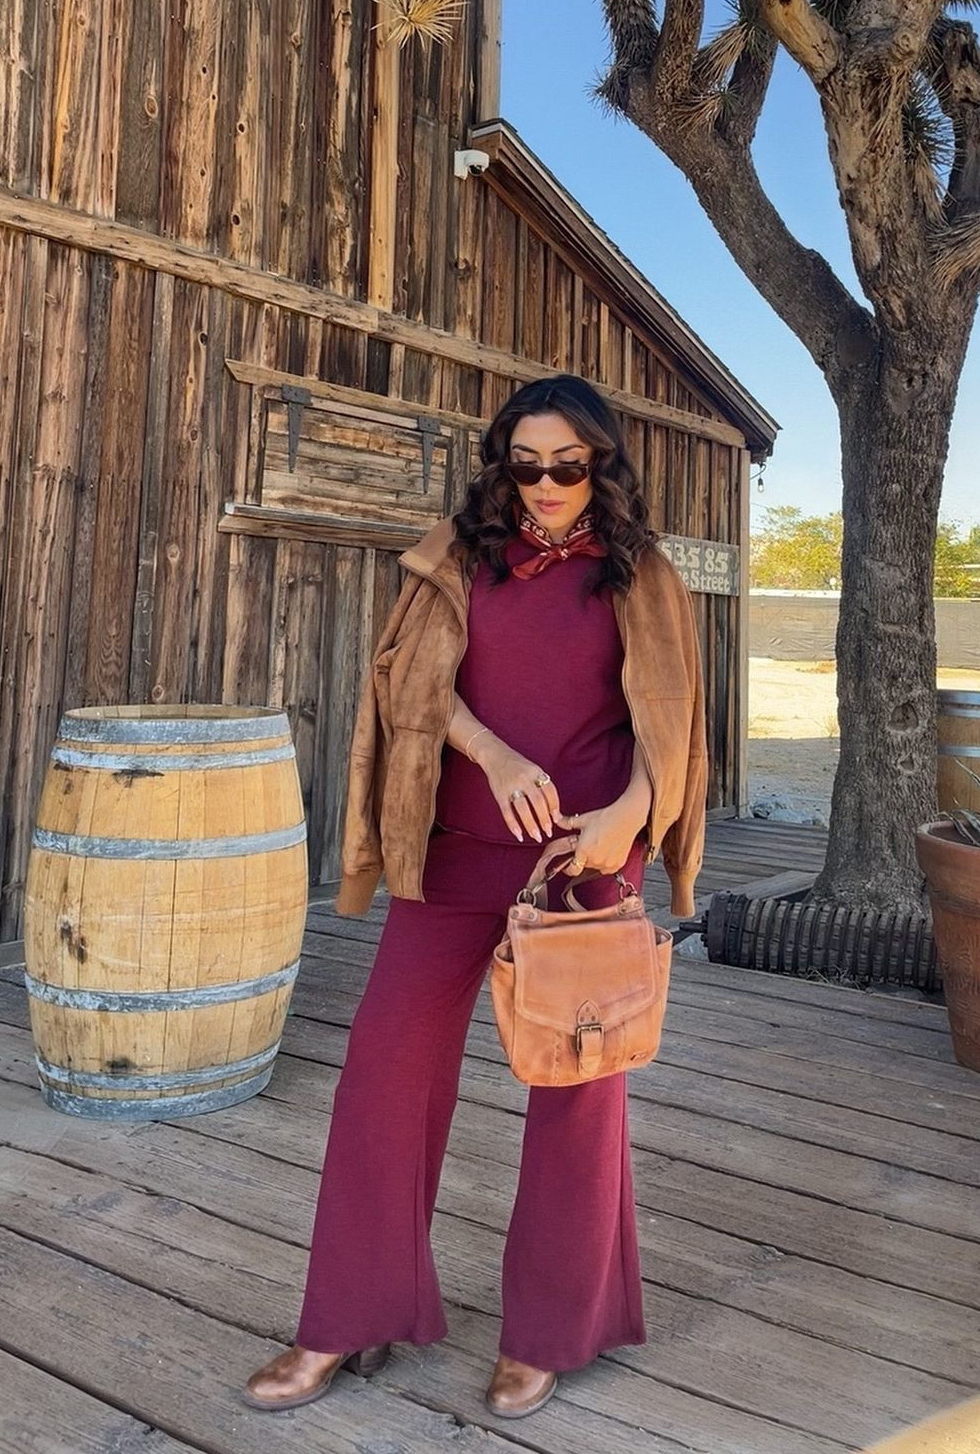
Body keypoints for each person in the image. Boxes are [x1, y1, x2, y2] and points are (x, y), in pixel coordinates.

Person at [243, 373, 708, 1420]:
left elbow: (673, 725)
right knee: (383, 1077)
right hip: (452, 852)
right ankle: (346, 1317)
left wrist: (631, 815)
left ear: (603, 466)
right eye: (526, 463)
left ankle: (550, 1332)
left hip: (585, 867)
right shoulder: (455, 557)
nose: (546, 485)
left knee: (578, 1094)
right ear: (503, 463)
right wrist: (490, 754)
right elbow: (407, 679)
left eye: (569, 465)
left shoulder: (643, 575)